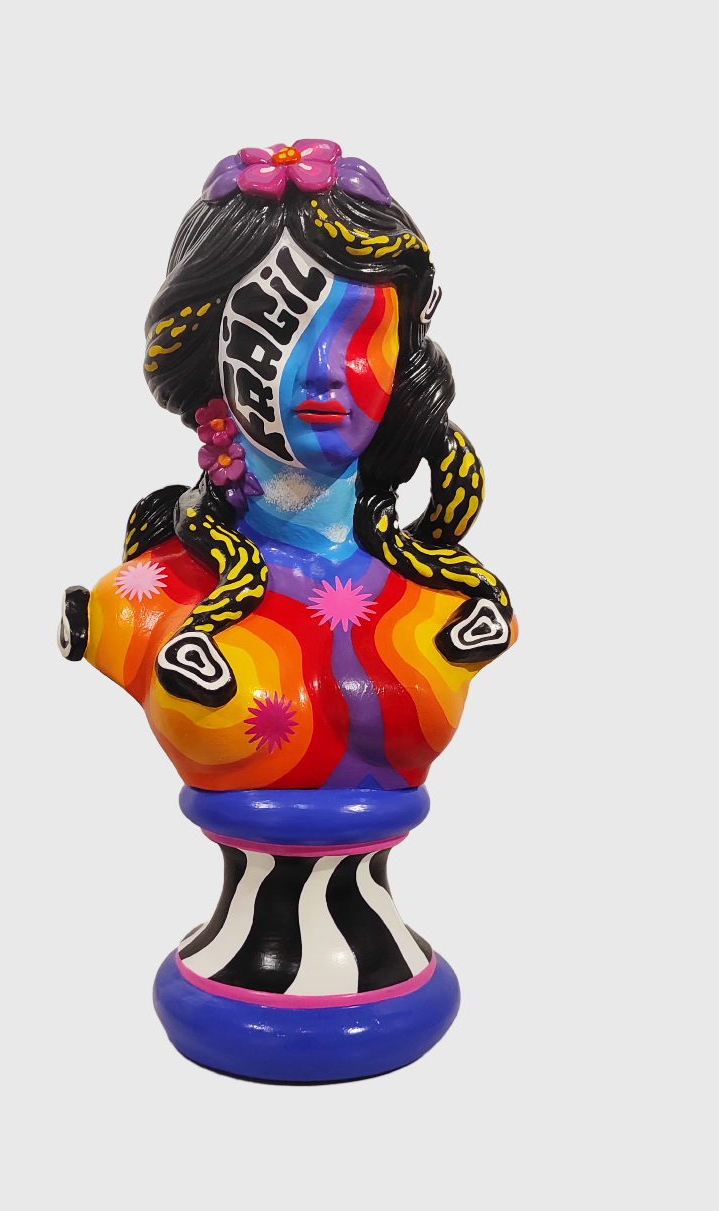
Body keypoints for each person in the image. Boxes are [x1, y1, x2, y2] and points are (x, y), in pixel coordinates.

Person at [59, 140, 516, 792]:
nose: (324, 369)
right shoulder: (139, 602)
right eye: (278, 326)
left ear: (402, 353)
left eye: (358, 331)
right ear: (207, 348)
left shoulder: (457, 601)